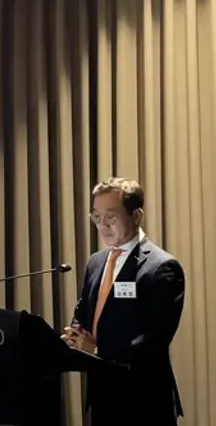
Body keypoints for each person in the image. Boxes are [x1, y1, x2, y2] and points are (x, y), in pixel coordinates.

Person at [62, 177, 185, 426]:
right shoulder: (96, 261)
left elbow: (153, 340)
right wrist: (75, 334)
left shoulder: (162, 267)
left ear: (136, 216)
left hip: (143, 399)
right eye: (96, 216)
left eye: (111, 216)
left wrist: (97, 350)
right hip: (102, 395)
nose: (102, 225)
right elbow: (84, 311)